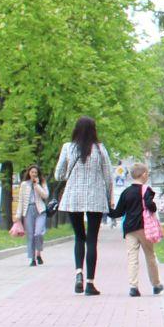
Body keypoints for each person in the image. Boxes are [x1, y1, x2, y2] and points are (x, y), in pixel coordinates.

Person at [53, 116, 115, 296]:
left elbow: (58, 175)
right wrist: (109, 198)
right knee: (92, 240)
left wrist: (72, 175)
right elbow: (108, 176)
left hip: (73, 197)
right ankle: (90, 283)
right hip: (95, 197)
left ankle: (78, 273)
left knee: (79, 237)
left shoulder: (68, 147)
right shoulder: (100, 149)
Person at [111, 161, 164, 298]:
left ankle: (133, 287)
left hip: (129, 229)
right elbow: (150, 206)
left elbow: (118, 212)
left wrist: (107, 209)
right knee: (150, 256)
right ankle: (156, 284)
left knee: (132, 257)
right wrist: (152, 206)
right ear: (144, 174)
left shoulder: (126, 192)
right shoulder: (146, 190)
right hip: (144, 228)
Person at [16, 165, 52, 266]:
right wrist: (18, 215)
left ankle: (38, 253)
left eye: (36, 172)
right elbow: (21, 200)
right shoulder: (24, 184)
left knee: (38, 233)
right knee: (30, 235)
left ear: (38, 174)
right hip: (28, 210)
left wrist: (37, 185)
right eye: (32, 172)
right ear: (29, 173)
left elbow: (45, 195)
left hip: (40, 210)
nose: (34, 174)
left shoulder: (42, 183)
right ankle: (32, 259)